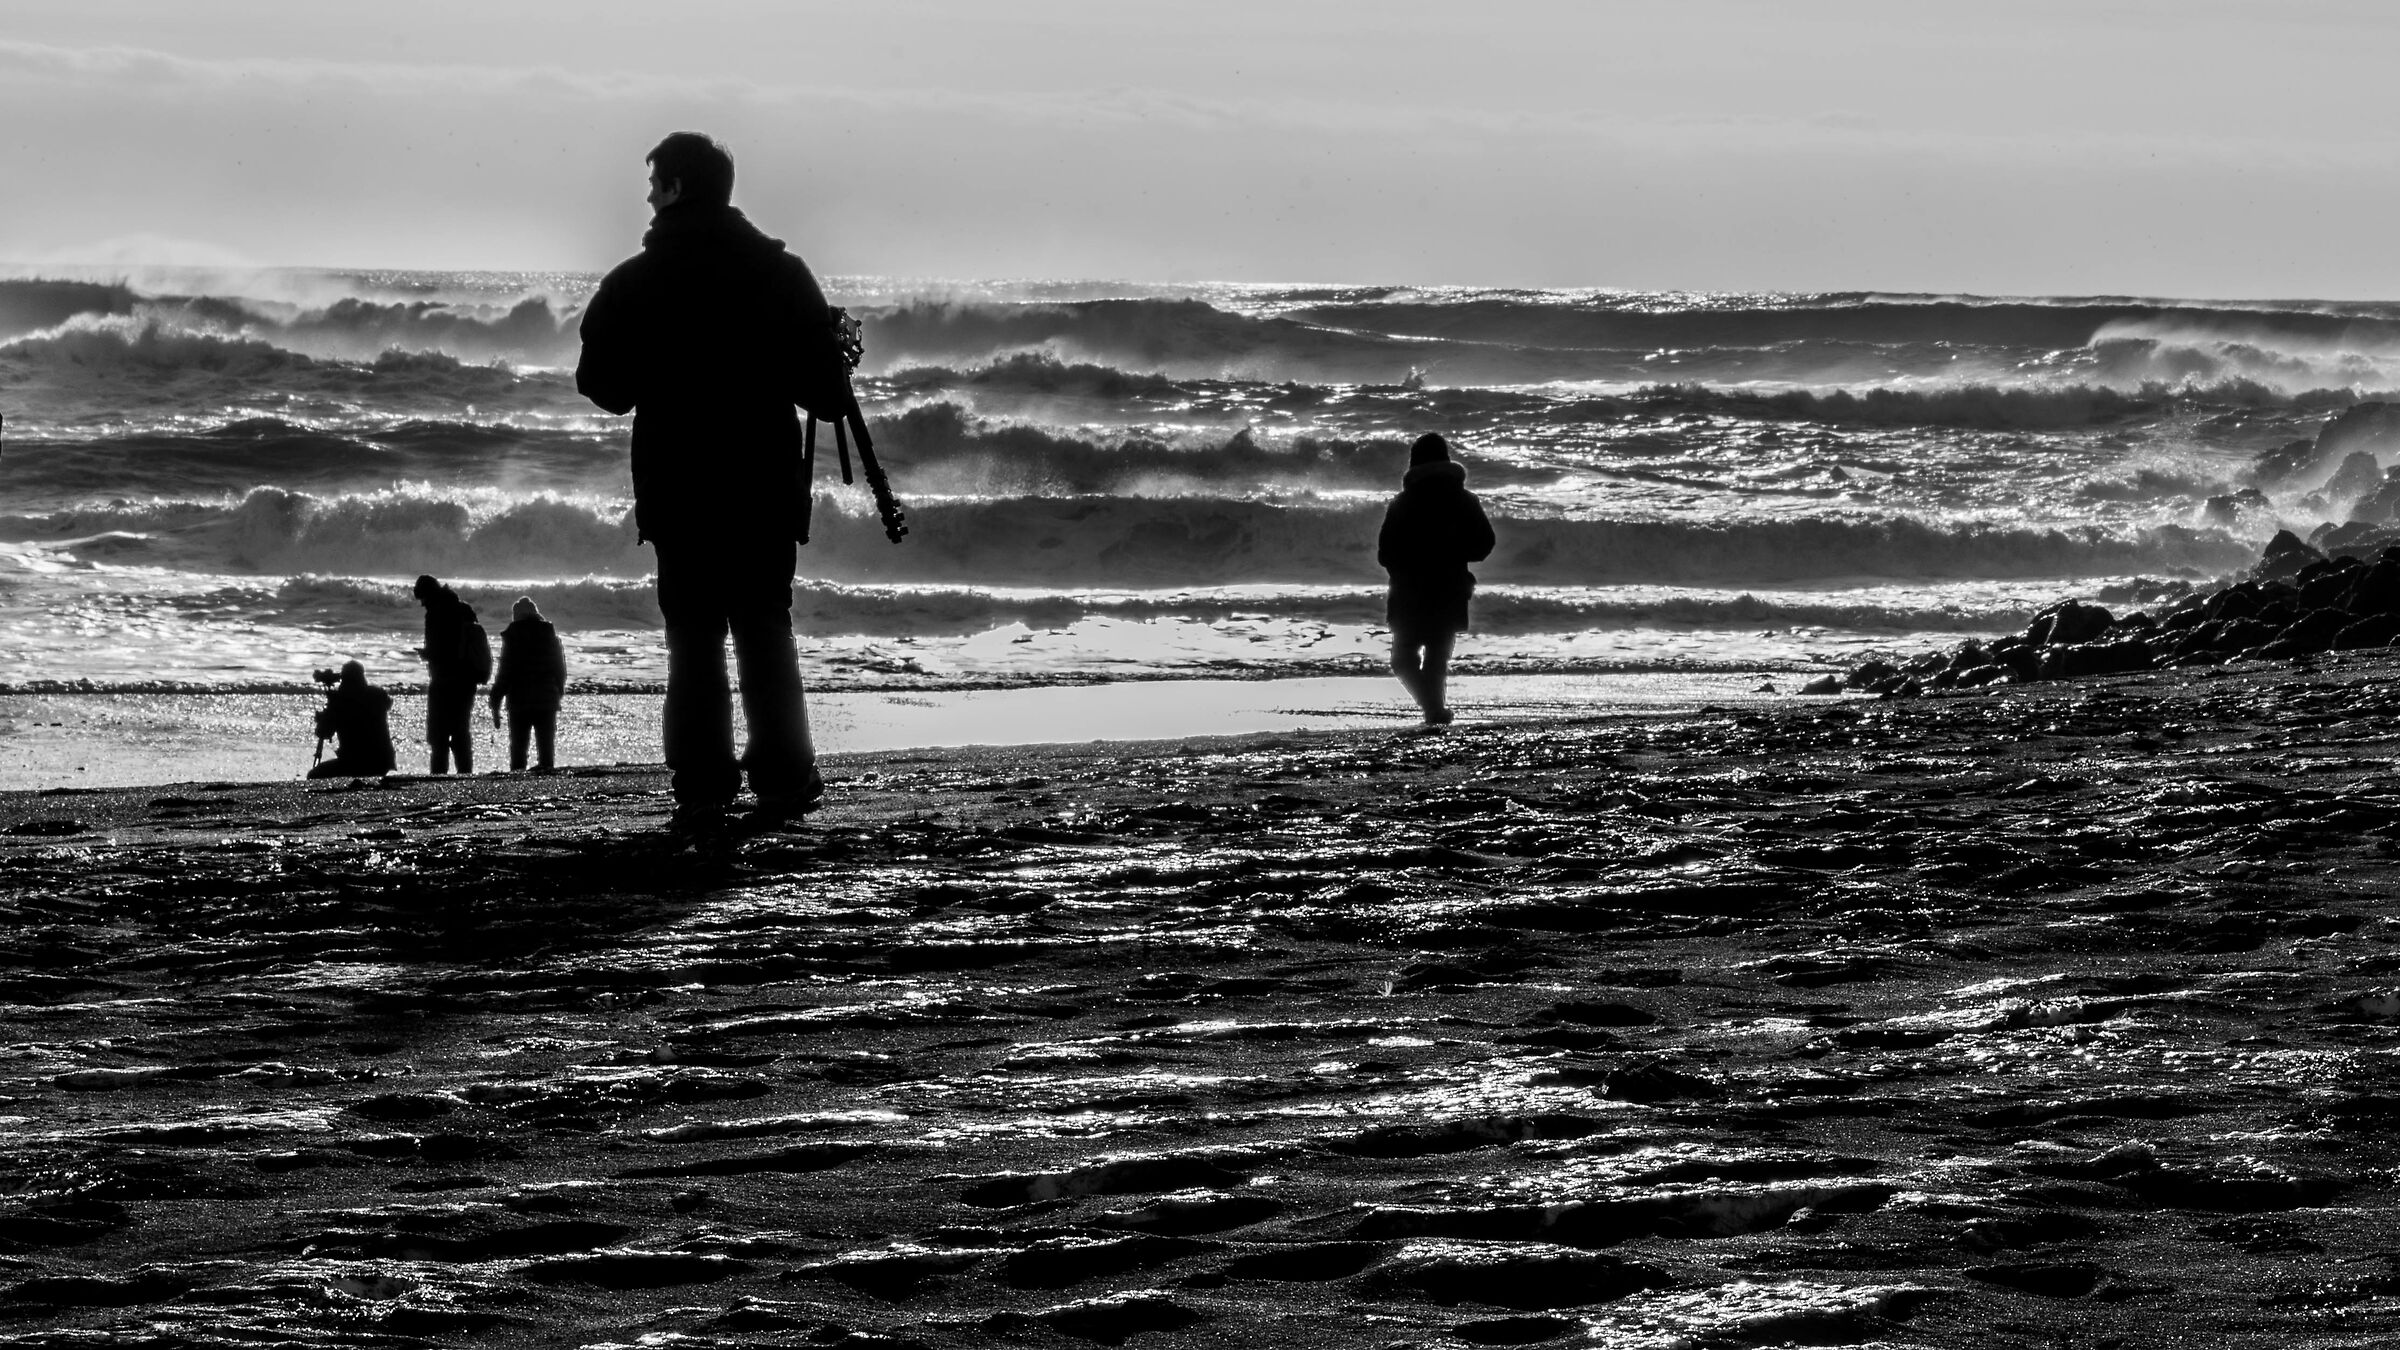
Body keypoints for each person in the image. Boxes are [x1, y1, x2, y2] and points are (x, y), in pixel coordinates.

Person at [576, 130, 847, 832]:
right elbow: (825, 392)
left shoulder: (634, 282)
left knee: (693, 637)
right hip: (760, 482)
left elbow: (602, 385)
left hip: (680, 487)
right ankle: (785, 778)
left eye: (654, 182)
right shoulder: (782, 274)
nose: (647, 194)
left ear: (674, 189)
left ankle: (702, 786)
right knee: (765, 626)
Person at [1376, 432, 1496, 725]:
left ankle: (1433, 711)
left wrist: (1406, 566)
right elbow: (1484, 544)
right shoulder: (1464, 500)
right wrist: (1453, 554)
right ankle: (1434, 711)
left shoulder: (1402, 503)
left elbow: (1385, 553)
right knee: (1436, 659)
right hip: (1450, 588)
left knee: (1403, 659)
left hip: (1409, 592)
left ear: (1414, 463)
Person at [489, 595, 568, 772]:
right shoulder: (551, 636)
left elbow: (505, 672)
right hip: (546, 699)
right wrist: (557, 692)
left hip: (519, 699)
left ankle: (517, 783)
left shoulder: (514, 637)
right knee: (546, 749)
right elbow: (560, 670)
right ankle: (548, 785)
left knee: (519, 749)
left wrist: (495, 699)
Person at [412, 573, 480, 774]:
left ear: (428, 595)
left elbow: (441, 649)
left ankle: (439, 775)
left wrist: (427, 654)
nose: (423, 604)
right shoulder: (463, 609)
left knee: (439, 734)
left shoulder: (435, 613)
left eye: (423, 599)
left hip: (444, 678)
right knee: (461, 729)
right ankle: (465, 773)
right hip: (467, 679)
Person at [308, 661, 396, 779]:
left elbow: (324, 732)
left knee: (314, 775)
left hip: (354, 762)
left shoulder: (341, 701)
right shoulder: (377, 695)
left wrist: (325, 717)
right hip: (383, 761)